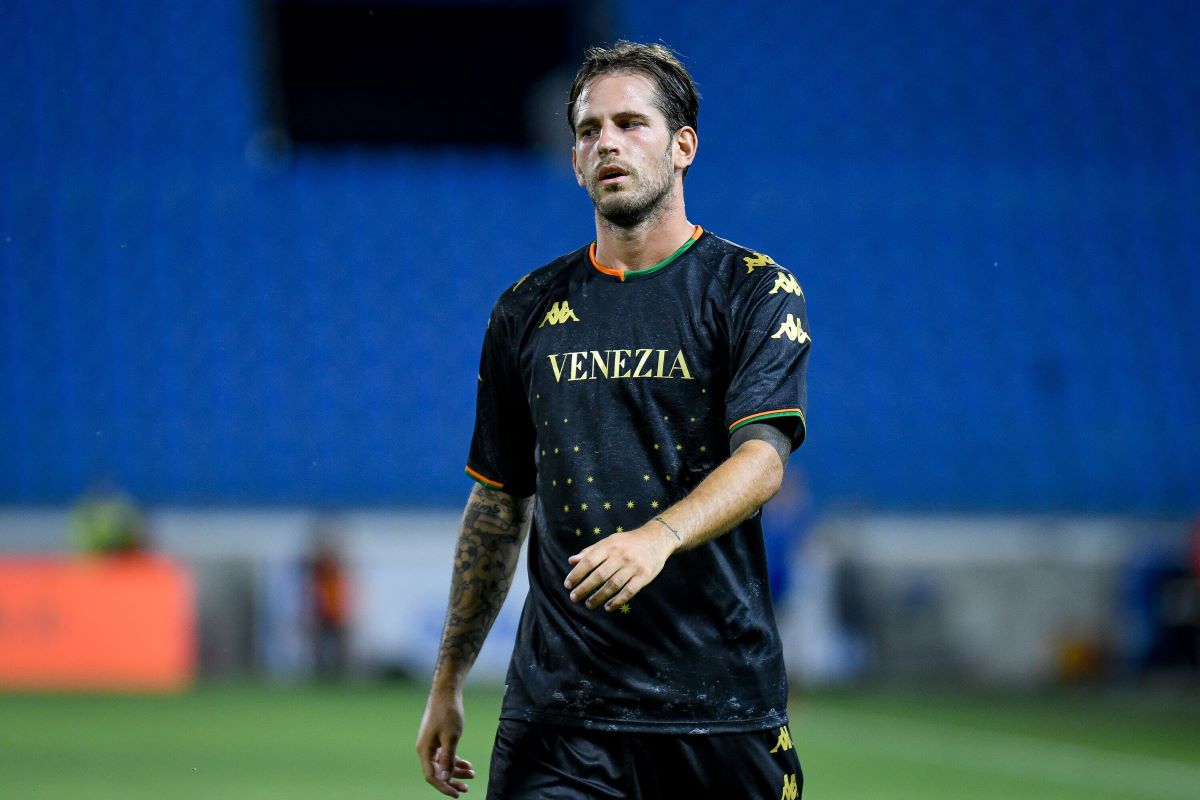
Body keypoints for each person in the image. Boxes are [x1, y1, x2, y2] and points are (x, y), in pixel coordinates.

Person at [416, 40, 810, 799]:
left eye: (630, 124)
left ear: (682, 146)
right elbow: (498, 504)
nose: (607, 143)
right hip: (559, 718)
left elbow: (762, 461)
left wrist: (657, 537)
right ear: (573, 159)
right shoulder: (526, 308)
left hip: (717, 708)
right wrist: (448, 680)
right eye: (589, 130)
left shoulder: (753, 291)